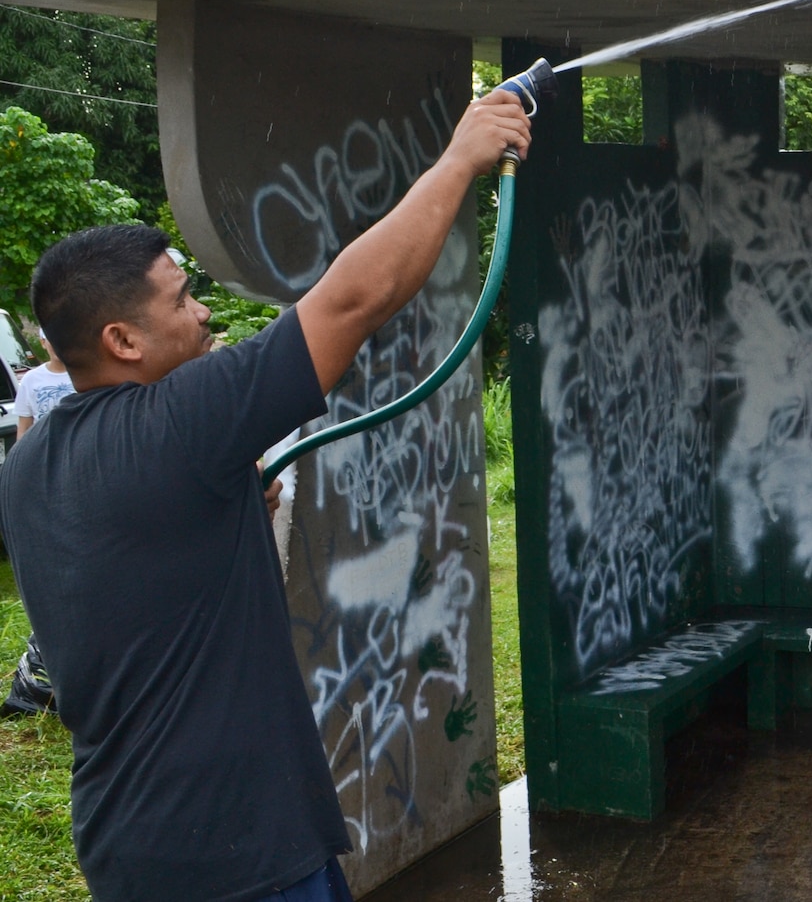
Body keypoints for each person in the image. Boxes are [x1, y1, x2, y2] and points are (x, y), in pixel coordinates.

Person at [0, 88, 531, 902]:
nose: (204, 311)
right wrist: (463, 156)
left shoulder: (30, 467)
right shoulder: (182, 422)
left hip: (127, 848)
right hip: (242, 855)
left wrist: (232, 505)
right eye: (182, 300)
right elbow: (355, 298)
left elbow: (140, 568)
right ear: (122, 340)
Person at [0, 327, 75, 718]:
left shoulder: (81, 372)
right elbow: (23, 434)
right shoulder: (33, 381)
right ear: (42, 342)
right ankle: (44, 676)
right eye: (48, 338)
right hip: (49, 482)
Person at [14, 328, 75, 437]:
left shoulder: (86, 375)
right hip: (44, 450)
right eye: (52, 339)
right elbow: (24, 427)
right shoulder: (30, 379)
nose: (58, 345)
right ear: (43, 342)